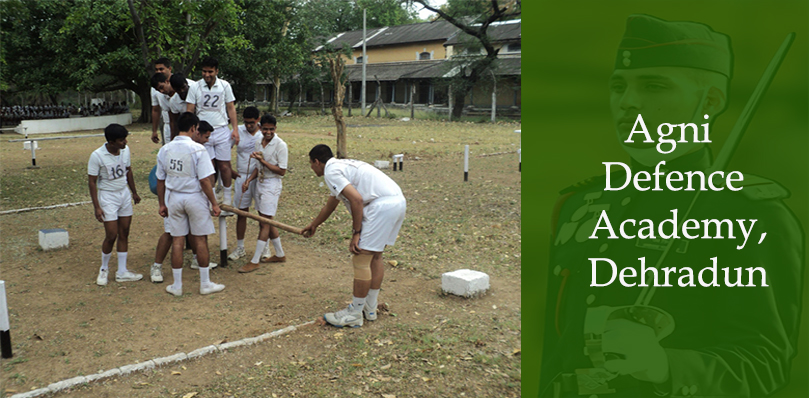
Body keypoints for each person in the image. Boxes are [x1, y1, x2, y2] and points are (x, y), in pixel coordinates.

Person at [539, 14, 804, 397]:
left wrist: (665, 366)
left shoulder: (753, 214)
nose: (627, 102)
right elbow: (555, 345)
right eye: (618, 86)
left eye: (653, 86)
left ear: (709, 101)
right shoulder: (578, 204)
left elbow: (765, 364)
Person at [302, 145, 407, 327]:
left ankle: (355, 313)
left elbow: (356, 200)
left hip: (381, 206)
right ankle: (369, 307)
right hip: (397, 201)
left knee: (361, 258)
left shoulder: (331, 172)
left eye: (311, 164)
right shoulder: (340, 167)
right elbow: (331, 205)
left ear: (317, 162)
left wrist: (356, 233)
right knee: (375, 256)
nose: (312, 168)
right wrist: (314, 224)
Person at [156, 112, 225, 296]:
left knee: (178, 240)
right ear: (194, 128)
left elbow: (160, 180)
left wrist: (162, 204)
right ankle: (205, 283)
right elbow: (205, 181)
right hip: (194, 197)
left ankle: (177, 286)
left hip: (174, 198)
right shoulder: (198, 150)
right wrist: (214, 203)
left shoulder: (165, 149)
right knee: (200, 239)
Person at [88, 124, 142, 286]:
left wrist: (134, 192)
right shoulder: (97, 156)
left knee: (124, 232)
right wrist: (97, 206)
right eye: (121, 140)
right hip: (107, 196)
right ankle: (104, 269)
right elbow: (92, 182)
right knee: (111, 235)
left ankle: (122, 271)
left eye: (125, 138)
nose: (125, 142)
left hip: (123, 194)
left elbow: (128, 170)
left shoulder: (125, 150)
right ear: (111, 142)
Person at [237, 114, 289, 273]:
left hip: (272, 184)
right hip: (260, 181)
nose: (268, 132)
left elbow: (282, 171)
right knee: (267, 220)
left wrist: (263, 162)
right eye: (265, 129)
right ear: (260, 127)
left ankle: (255, 261)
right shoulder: (258, 141)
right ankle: (280, 254)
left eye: (271, 129)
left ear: (275, 128)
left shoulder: (280, 145)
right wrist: (249, 181)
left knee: (264, 222)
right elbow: (257, 167)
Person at [186, 56, 239, 208]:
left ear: (216, 71)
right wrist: (192, 131)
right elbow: (190, 110)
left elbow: (230, 108)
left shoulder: (225, 86)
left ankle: (227, 196)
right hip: (202, 132)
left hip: (222, 129)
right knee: (208, 166)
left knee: (224, 165)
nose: (207, 75)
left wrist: (235, 129)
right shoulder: (195, 87)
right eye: (204, 71)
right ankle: (212, 198)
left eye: (210, 72)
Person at [227, 106, 266, 262]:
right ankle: (240, 247)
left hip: (260, 177)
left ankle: (265, 247)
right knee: (241, 213)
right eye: (246, 122)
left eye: (252, 122)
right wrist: (230, 171)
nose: (249, 125)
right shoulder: (237, 132)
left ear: (257, 120)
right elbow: (224, 151)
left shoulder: (265, 133)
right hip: (242, 177)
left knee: (263, 215)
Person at [150, 57, 173, 145]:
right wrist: (154, 130)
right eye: (156, 70)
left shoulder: (181, 83)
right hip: (167, 125)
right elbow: (155, 109)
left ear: (169, 69)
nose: (159, 72)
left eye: (161, 69)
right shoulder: (154, 89)